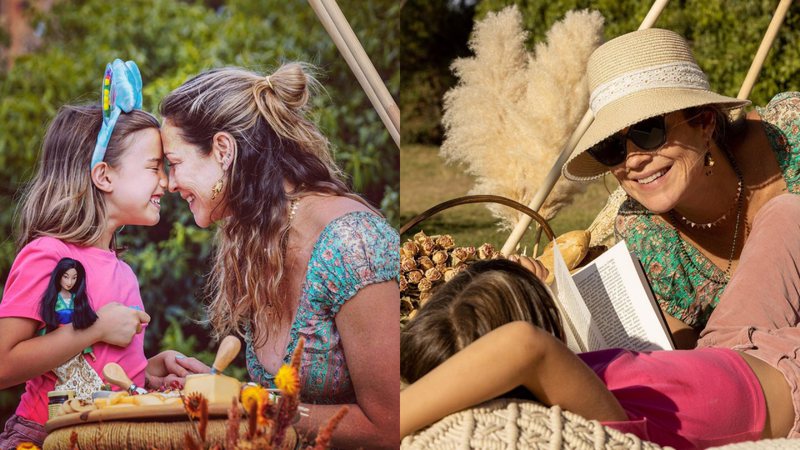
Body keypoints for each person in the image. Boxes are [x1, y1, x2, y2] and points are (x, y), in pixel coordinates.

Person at [159, 62, 399, 448]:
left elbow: (388, 426)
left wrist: (252, 403)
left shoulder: (353, 245)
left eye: (175, 164)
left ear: (222, 149)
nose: (170, 183)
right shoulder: (256, 239)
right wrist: (223, 391)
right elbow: (288, 402)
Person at [399, 239, 796, 448]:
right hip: (790, 379)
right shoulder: (596, 418)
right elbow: (523, 345)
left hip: (732, 345)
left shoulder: (577, 386)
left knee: (781, 213)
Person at [0, 59, 205, 448]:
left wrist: (148, 374)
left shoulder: (121, 272)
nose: (165, 181)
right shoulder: (48, 255)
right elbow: (3, 364)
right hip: (45, 436)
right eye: (153, 167)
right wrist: (94, 328)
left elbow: (99, 373)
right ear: (104, 175)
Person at [561, 28, 800, 348]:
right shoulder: (646, 236)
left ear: (704, 123)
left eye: (648, 131)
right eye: (610, 147)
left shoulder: (790, 134)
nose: (631, 161)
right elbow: (683, 358)